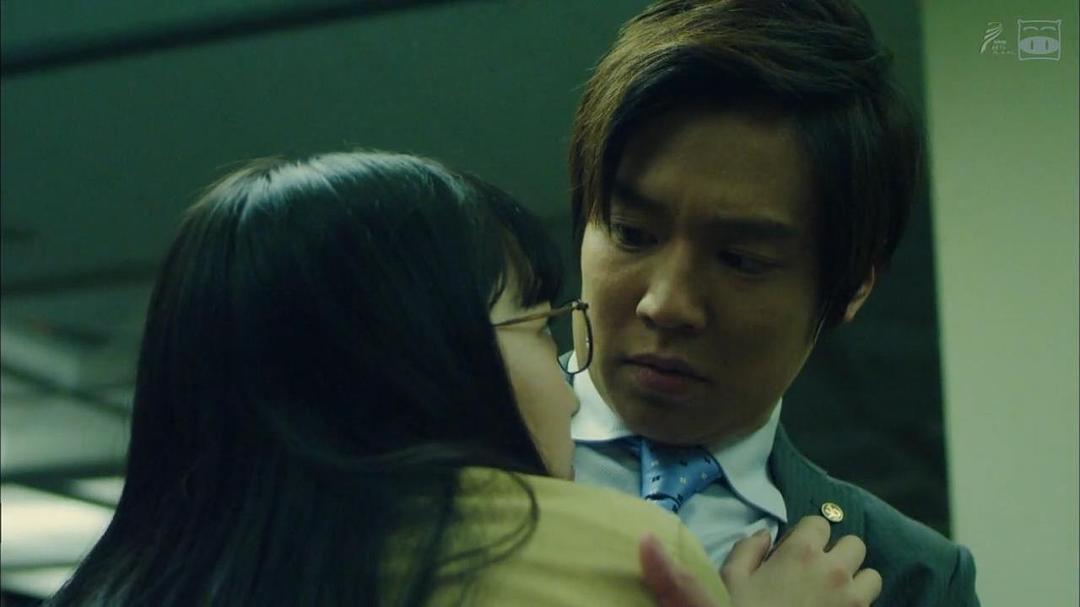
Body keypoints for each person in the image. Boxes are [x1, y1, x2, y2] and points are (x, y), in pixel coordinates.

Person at [46, 150, 877, 607]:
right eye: (537, 323)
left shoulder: (118, 581)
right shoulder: (616, 553)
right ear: (417, 355)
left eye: (744, 257)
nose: (568, 382)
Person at [564, 1, 980, 606]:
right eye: (631, 232)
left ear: (852, 288)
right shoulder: (436, 451)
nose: (666, 304)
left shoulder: (912, 577)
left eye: (741, 260)